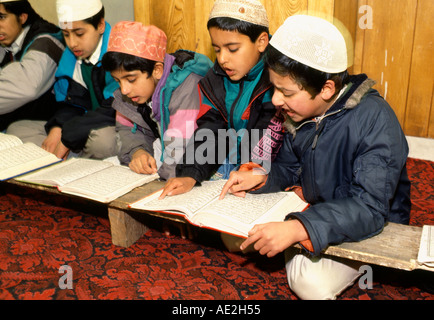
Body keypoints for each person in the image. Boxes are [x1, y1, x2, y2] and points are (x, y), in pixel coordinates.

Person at [219, 15, 411, 300]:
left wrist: (299, 227)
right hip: (319, 206)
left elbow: (371, 208)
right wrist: (262, 178)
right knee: (232, 236)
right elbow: (289, 167)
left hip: (370, 220)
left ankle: (349, 258)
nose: (275, 101)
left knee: (308, 282)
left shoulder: (375, 121)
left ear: (327, 88)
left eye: (285, 92)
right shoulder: (303, 112)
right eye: (273, 88)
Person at [160, 0, 280, 197]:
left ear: (261, 42)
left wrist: (249, 171)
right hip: (234, 161)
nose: (222, 58)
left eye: (232, 49)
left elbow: (267, 138)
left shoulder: (278, 80)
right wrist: (190, 173)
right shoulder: (215, 80)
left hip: (268, 168)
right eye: (217, 49)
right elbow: (212, 131)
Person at [7, 0, 119, 160]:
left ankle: (73, 156)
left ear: (100, 25)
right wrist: (58, 127)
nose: (72, 43)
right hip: (82, 126)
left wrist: (69, 135)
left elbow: (115, 109)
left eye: (79, 34)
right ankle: (74, 157)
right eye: (66, 34)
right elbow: (73, 103)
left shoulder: (118, 54)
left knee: (103, 142)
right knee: (18, 129)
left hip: (111, 124)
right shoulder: (72, 57)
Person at [101, 21, 213, 180]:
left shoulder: (186, 87)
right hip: (168, 149)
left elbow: (180, 156)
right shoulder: (133, 92)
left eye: (131, 79)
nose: (124, 89)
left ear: (157, 70)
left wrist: (157, 189)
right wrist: (137, 152)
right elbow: (126, 130)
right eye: (118, 81)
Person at [0, 0, 64, 133]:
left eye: (1, 17)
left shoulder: (46, 42)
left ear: (22, 17)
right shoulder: (7, 40)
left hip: (47, 126)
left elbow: (26, 87)